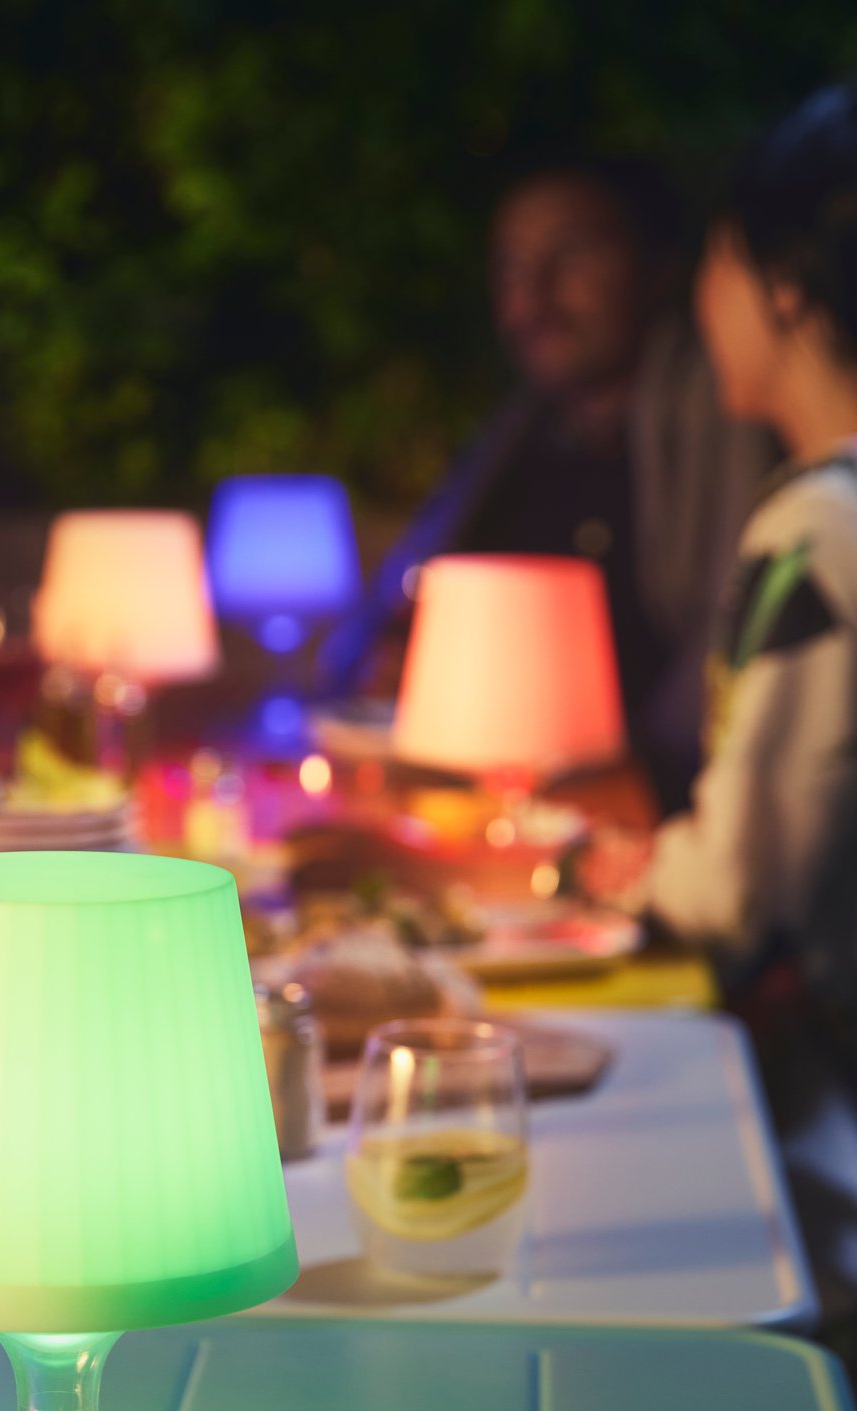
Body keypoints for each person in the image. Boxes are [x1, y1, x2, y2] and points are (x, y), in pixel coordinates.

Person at [339, 156, 774, 810]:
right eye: (510, 267)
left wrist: (639, 787)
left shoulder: (722, 431)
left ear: (658, 271)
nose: (532, 296)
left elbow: (727, 655)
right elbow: (399, 620)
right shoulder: (510, 447)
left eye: (571, 257)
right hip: (474, 809)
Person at [580, 84, 857, 1035]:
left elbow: (745, 889)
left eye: (717, 258)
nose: (703, 300)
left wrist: (618, 873)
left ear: (784, 287)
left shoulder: (816, 535)